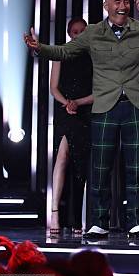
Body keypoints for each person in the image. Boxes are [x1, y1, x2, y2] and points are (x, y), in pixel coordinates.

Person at [24, 0, 139, 240]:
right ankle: (98, 222)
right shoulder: (93, 33)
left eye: (126, 1)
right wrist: (39, 49)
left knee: (135, 167)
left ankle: (136, 221)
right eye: (117, 2)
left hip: (136, 105)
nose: (122, 6)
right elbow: (63, 52)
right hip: (104, 106)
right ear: (106, 6)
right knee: (100, 168)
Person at [49, 18, 93, 236]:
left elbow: (101, 90)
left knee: (80, 165)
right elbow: (53, 87)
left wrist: (80, 102)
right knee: (62, 156)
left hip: (85, 111)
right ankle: (55, 211)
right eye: (75, 32)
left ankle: (76, 217)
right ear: (69, 34)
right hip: (65, 111)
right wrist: (67, 103)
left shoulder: (95, 56)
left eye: (82, 31)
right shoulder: (61, 53)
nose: (79, 35)